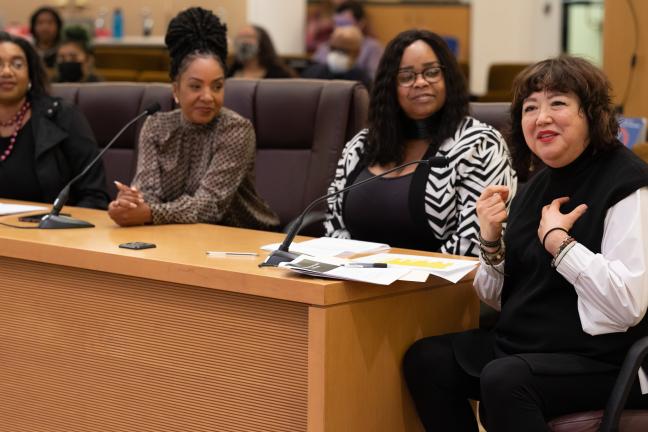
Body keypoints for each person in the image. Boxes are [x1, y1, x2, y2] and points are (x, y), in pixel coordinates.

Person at [402, 55, 648, 431]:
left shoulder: (629, 184)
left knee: (505, 379)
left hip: (603, 359)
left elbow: (627, 305)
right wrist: (489, 239)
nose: (541, 117)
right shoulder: (534, 187)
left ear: (592, 114)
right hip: (524, 346)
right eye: (530, 108)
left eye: (558, 103)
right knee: (428, 359)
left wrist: (560, 244)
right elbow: (499, 299)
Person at [323, 29, 516, 256]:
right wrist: (352, 267)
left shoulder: (479, 144)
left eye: (432, 72)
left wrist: (401, 276)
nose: (421, 82)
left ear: (448, 77)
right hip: (352, 281)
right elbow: (333, 225)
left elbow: (474, 243)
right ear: (390, 87)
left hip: (436, 285)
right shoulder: (362, 145)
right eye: (406, 76)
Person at [107, 7, 279, 230]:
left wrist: (148, 212)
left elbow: (209, 205)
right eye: (196, 86)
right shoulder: (156, 126)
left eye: (217, 86)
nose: (208, 97)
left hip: (244, 238)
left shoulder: (236, 129)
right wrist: (129, 204)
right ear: (176, 90)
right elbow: (147, 191)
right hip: (178, 235)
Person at [0, 31, 108, 209]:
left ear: (30, 75)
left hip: (49, 232)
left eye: (17, 64)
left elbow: (94, 195)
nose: (6, 72)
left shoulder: (62, 116)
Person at [312, 1, 383, 80]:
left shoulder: (373, 48)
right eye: (337, 24)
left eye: (345, 23)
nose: (340, 29)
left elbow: (375, 80)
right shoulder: (325, 46)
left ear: (361, 24)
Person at [302, 26, 372, 90]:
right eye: (333, 48)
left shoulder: (362, 81)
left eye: (344, 50)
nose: (337, 54)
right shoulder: (312, 75)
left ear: (357, 52)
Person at [227, 25, 296, 79]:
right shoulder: (229, 73)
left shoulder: (281, 75)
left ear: (262, 42)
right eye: (239, 37)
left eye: (248, 36)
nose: (243, 41)